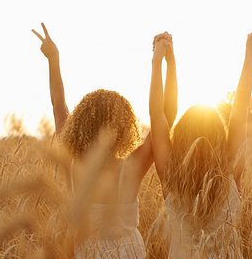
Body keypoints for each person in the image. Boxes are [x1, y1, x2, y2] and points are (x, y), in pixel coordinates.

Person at [32, 24, 176, 258]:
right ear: (123, 128)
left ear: (80, 125)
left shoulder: (71, 165)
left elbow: (59, 107)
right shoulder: (130, 168)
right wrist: (162, 62)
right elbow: (165, 116)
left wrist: (53, 59)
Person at [148, 15, 252, 258]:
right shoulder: (231, 170)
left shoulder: (171, 181)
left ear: (179, 139)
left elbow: (157, 115)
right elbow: (239, 113)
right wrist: (251, 53)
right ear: (220, 135)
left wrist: (160, 61)